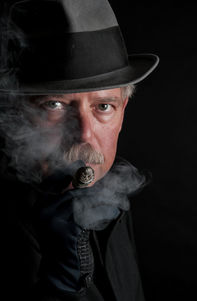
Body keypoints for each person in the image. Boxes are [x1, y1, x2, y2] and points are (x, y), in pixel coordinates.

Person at [0, 0, 159, 300]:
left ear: (123, 110)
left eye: (103, 107)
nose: (84, 134)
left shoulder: (113, 194)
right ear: (17, 114)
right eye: (55, 105)